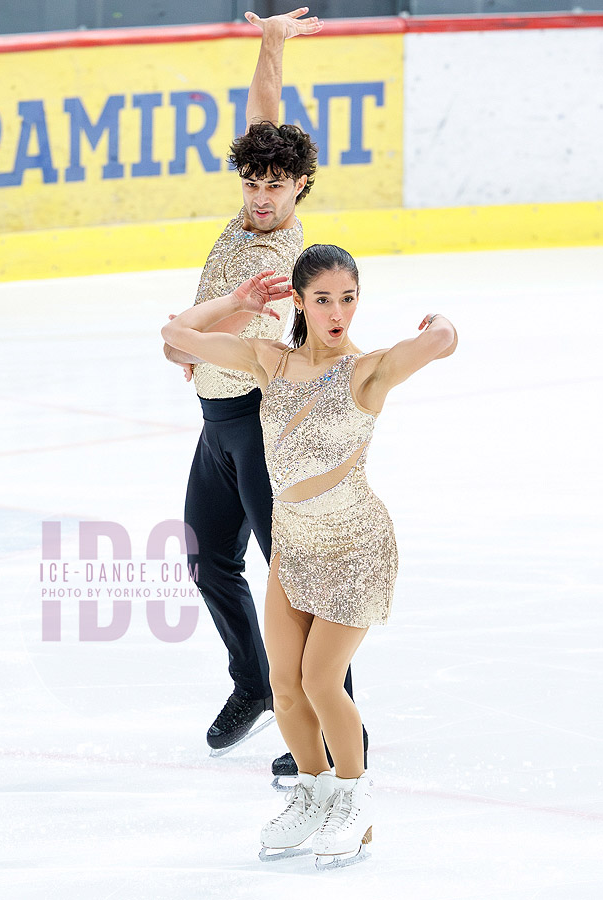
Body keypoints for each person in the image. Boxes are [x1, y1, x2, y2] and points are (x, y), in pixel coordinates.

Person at [161, 244, 458, 867]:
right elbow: (176, 334)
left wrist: (438, 326)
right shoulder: (269, 361)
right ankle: (316, 792)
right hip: (295, 545)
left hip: (354, 545)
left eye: (348, 299)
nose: (337, 312)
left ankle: (355, 800)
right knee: (284, 688)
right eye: (323, 299)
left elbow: (444, 342)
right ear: (298, 302)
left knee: (322, 681)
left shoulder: (368, 371)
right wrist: (239, 304)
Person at [163, 7, 366, 776]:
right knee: (208, 558)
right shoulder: (249, 212)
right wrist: (272, 42)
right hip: (216, 423)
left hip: (261, 427)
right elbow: (264, 121)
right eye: (251, 180)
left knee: (299, 577)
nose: (258, 194)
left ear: (299, 189)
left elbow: (191, 333)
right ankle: (255, 684)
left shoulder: (287, 260)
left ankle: (332, 722)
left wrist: (194, 336)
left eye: (274, 185)